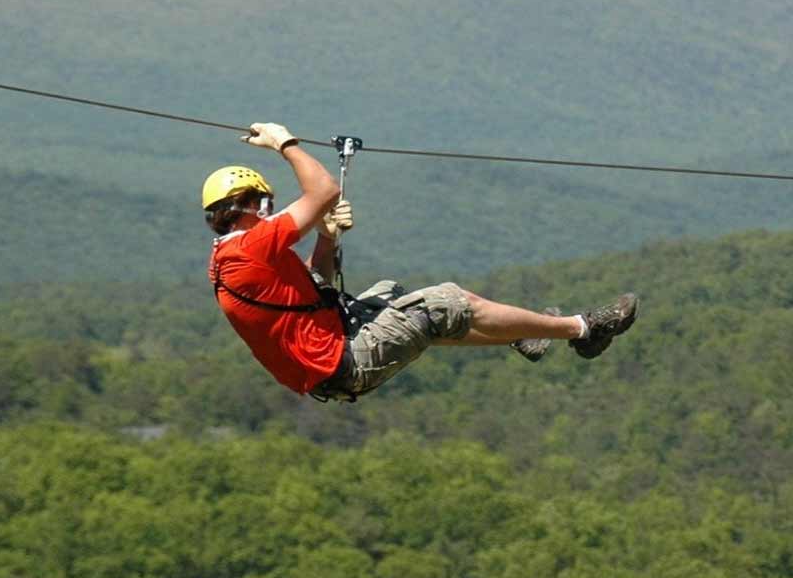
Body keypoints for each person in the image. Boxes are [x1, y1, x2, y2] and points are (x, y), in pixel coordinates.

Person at [203, 122, 639, 403]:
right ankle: (584, 329)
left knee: (392, 295)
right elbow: (323, 189)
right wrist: (286, 144)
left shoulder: (230, 258)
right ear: (249, 205)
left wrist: (326, 237)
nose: (271, 208)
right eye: (266, 202)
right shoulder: (251, 248)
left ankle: (522, 336)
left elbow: (311, 290)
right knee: (444, 303)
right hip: (342, 359)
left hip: (327, 357)